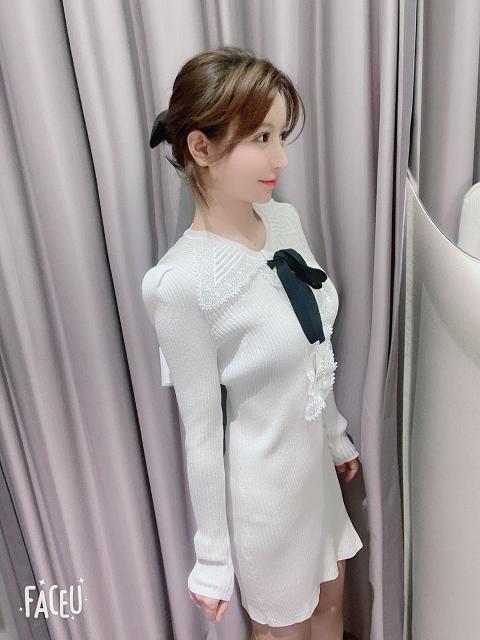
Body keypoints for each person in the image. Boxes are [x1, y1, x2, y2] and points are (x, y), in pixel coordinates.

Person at [142, 45, 363, 640]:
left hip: (315, 477)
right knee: (285, 631)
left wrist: (335, 436)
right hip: (266, 500)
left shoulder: (284, 222)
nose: (281, 158)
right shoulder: (178, 284)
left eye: (280, 136)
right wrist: (213, 559)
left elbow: (312, 348)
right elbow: (200, 431)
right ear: (201, 148)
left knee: (333, 616)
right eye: (262, 137)